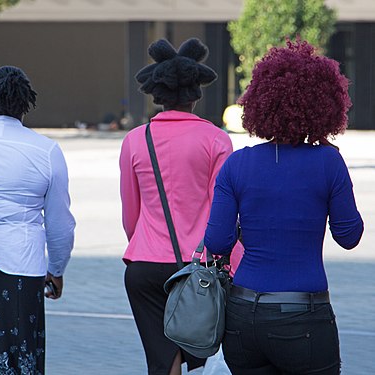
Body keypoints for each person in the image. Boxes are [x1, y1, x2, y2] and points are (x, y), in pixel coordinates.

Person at [204, 39, 364, 375]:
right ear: (325, 105)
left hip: (243, 313)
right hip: (303, 314)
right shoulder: (327, 161)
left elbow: (217, 243)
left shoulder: (236, 164)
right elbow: (349, 236)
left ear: (260, 103)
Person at [120, 38, 240, 375]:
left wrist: (144, 240)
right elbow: (225, 213)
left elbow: (131, 215)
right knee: (198, 355)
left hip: (143, 265)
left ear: (156, 93)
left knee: (162, 360)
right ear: (196, 93)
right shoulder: (217, 139)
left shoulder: (134, 140)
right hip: (197, 268)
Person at [0, 66, 75, 375]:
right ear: (27, 104)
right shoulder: (46, 151)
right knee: (20, 355)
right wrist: (57, 269)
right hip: (23, 266)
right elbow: (60, 223)